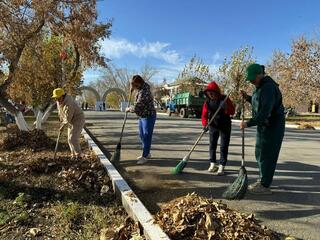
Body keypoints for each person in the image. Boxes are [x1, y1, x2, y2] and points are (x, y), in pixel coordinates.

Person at [240, 63, 285, 194]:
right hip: (263, 126)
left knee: (267, 155)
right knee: (260, 153)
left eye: (253, 78)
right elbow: (257, 102)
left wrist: (248, 123)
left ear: (260, 75)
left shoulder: (268, 88)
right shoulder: (259, 87)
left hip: (272, 127)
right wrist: (247, 97)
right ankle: (263, 179)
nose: (252, 81)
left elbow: (265, 111)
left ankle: (265, 185)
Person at [201, 81, 235, 175]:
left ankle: (222, 166)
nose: (211, 95)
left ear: (217, 92)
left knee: (224, 146)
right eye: (209, 93)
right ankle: (212, 163)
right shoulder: (207, 102)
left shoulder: (225, 99)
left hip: (225, 125)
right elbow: (204, 115)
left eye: (212, 93)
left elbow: (232, 111)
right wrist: (204, 124)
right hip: (213, 125)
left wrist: (226, 107)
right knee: (212, 145)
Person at [126, 75, 157, 165]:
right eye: (133, 85)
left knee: (147, 136)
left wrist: (129, 109)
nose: (134, 87)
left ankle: (145, 155)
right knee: (142, 136)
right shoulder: (140, 90)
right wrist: (131, 90)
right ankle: (147, 153)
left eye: (135, 85)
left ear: (139, 83)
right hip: (142, 116)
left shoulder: (145, 92)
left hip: (149, 116)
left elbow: (138, 106)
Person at [52, 88, 85, 160]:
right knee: (69, 140)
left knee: (73, 138)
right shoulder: (59, 101)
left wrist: (62, 126)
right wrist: (61, 121)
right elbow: (60, 112)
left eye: (58, 98)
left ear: (63, 96)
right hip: (71, 120)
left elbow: (68, 118)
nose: (56, 100)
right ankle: (73, 154)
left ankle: (79, 155)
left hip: (78, 119)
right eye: (55, 98)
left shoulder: (69, 103)